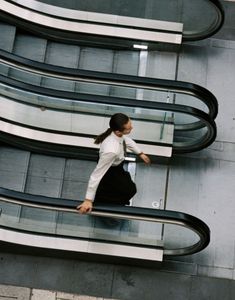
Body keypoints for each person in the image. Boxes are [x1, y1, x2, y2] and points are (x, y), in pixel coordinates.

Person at [77, 113, 150, 214]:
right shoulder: (111, 151)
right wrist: (88, 200)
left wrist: (140, 153)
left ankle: (112, 202)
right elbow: (97, 175)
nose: (132, 128)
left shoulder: (115, 133)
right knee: (128, 190)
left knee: (127, 189)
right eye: (128, 128)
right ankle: (108, 206)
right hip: (111, 170)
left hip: (116, 166)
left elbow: (125, 140)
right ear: (118, 131)